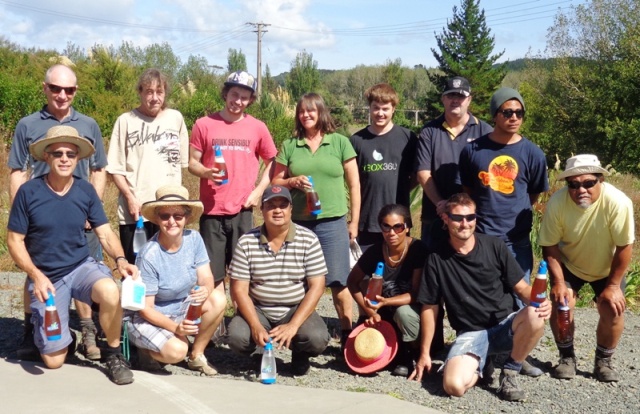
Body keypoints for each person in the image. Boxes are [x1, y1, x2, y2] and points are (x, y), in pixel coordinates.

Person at [7, 125, 136, 385]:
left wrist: (121, 260)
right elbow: (14, 240)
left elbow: (104, 232)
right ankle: (64, 338)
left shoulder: (85, 190)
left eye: (70, 154)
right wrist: (35, 275)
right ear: (47, 156)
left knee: (110, 291)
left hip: (80, 267)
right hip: (46, 276)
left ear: (78, 159)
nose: (64, 159)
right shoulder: (28, 192)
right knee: (54, 361)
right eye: (58, 153)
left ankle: (114, 354)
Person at [8, 64, 108, 361]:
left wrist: (91, 209)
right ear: (45, 88)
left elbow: (98, 169)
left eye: (69, 89)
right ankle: (31, 330)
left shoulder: (88, 124)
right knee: (35, 274)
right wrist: (20, 214)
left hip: (79, 212)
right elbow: (17, 170)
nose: (62, 95)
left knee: (84, 269)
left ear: (76, 91)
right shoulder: (27, 125)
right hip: (40, 213)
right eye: (55, 88)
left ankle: (87, 331)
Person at [409, 193, 550, 401]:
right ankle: (483, 365)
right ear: (446, 219)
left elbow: (522, 288)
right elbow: (430, 308)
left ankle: (510, 372)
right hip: (470, 334)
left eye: (470, 217)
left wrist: (541, 301)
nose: (464, 223)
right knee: (453, 386)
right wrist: (424, 353)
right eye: (457, 218)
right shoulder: (436, 258)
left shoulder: (495, 246)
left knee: (536, 314)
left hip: (505, 325)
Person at [272, 92, 361, 350]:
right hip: (299, 223)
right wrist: (291, 181)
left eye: (311, 110)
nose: (305, 115)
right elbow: (275, 181)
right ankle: (298, 332)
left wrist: (354, 221)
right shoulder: (291, 145)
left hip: (333, 222)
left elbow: (354, 185)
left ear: (321, 112)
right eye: (301, 111)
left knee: (338, 281)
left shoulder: (340, 142)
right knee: (299, 281)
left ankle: (346, 333)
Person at [538, 154, 634, 382]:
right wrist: (559, 283)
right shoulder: (557, 202)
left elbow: (625, 246)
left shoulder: (618, 202)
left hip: (607, 267)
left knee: (613, 309)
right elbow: (549, 245)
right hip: (570, 263)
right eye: (573, 184)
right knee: (561, 304)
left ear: (601, 180)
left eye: (589, 183)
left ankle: (603, 361)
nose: (581, 189)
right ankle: (566, 357)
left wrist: (613, 286)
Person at [189, 70, 277, 295]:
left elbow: (273, 163)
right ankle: (217, 316)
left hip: (242, 210)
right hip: (211, 210)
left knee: (242, 274)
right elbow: (192, 163)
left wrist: (259, 191)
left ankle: (240, 316)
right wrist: (207, 173)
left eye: (244, 97)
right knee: (212, 274)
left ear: (250, 100)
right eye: (234, 94)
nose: (238, 101)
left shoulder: (258, 127)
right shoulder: (203, 124)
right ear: (226, 93)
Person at [227, 185, 330, 375]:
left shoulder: (309, 239)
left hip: (294, 307)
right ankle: (259, 351)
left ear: (291, 209)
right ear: (262, 209)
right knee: (237, 337)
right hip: (259, 308)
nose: (277, 210)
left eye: (283, 205)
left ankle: (300, 354)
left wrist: (293, 325)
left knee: (317, 338)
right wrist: (255, 326)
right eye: (271, 205)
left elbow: (317, 286)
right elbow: (239, 290)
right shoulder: (246, 241)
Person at [126, 185, 227, 375]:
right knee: (177, 352)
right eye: (165, 216)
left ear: (186, 218)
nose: (171, 221)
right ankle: (145, 351)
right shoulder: (149, 255)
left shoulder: (194, 239)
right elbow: (145, 308)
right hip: (151, 316)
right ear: (157, 219)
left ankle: (197, 354)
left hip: (180, 305)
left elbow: (206, 276)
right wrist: (176, 328)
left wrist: (206, 288)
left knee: (218, 299)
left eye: (178, 216)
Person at [107, 68, 189, 264]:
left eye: (159, 92)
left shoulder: (175, 119)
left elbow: (181, 165)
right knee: (136, 268)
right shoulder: (126, 121)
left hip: (169, 212)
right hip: (136, 212)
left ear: (165, 93)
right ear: (140, 92)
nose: (154, 98)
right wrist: (130, 198)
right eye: (149, 92)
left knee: (169, 267)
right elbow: (115, 168)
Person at [347, 204, 431, 377]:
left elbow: (416, 294)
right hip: (382, 313)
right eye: (386, 227)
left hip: (411, 313)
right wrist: (370, 311)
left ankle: (411, 353)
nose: (391, 233)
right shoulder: (375, 251)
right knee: (359, 351)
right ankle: (391, 352)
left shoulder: (418, 250)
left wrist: (386, 302)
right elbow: (352, 282)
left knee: (403, 313)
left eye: (397, 227)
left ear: (407, 227)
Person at [415, 76, 492, 249]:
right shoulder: (429, 131)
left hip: (471, 219)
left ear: (469, 99)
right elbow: (423, 173)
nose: (455, 100)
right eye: (451, 95)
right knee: (431, 262)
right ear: (443, 99)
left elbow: (489, 176)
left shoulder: (485, 131)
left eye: (461, 96)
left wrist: (465, 209)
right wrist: (442, 204)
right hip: (436, 215)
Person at [349, 84, 417, 251]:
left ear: (393, 109)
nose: (380, 113)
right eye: (376, 108)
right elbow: (353, 182)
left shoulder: (407, 138)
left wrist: (401, 188)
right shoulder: (357, 140)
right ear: (370, 108)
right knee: (368, 266)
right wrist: (354, 222)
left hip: (398, 222)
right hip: (368, 221)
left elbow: (416, 175)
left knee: (398, 265)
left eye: (385, 109)